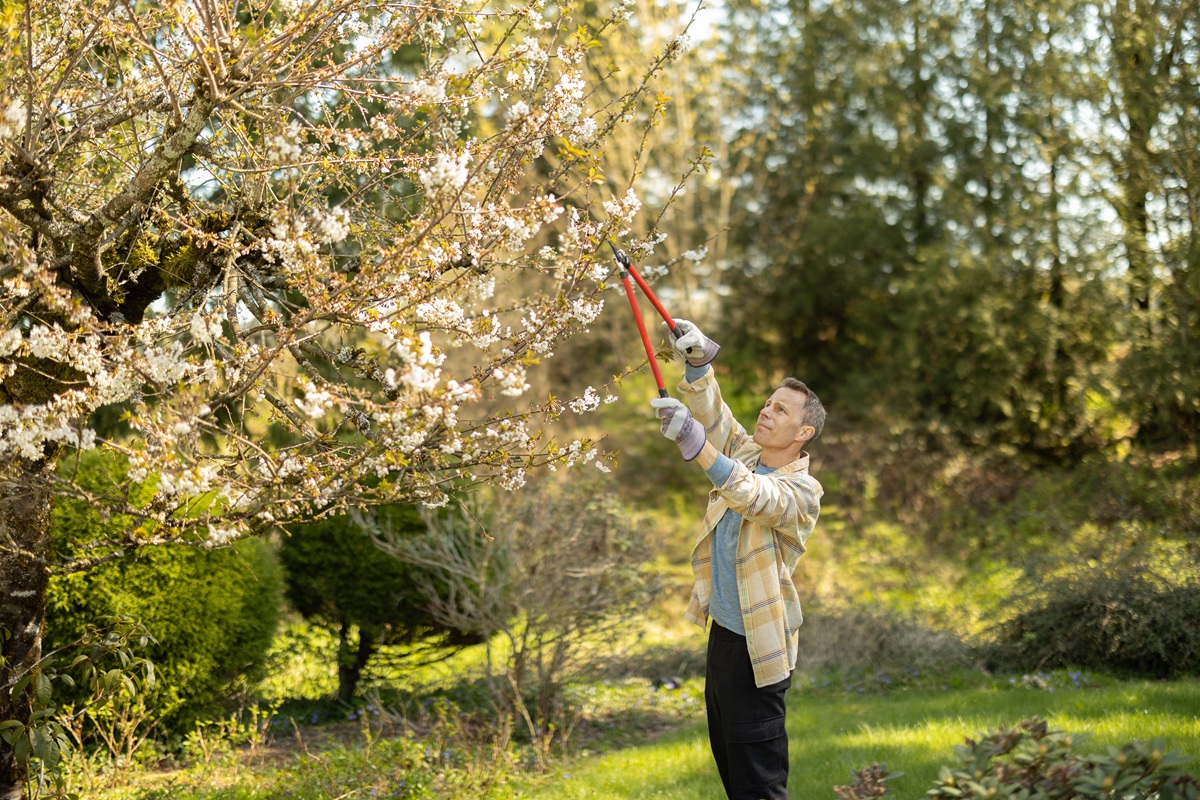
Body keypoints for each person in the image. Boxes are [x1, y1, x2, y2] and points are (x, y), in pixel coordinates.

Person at [650, 319, 825, 800]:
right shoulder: (748, 454)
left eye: (782, 409)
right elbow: (717, 421)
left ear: (803, 431)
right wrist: (700, 366)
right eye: (769, 402)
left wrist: (696, 445)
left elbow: (752, 496)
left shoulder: (803, 491)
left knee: (759, 787)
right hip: (725, 638)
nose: (768, 411)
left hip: (758, 650)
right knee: (733, 773)